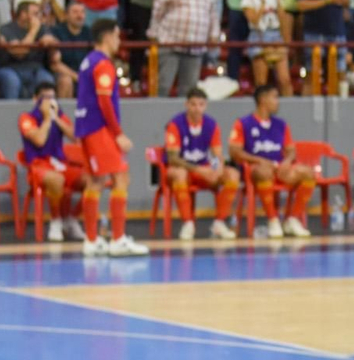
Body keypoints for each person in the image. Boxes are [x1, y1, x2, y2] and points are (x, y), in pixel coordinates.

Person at [74, 20, 148, 257]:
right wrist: (118, 134)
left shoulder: (87, 61)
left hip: (86, 126)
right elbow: (104, 100)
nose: (119, 41)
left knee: (95, 182)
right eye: (117, 36)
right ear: (107, 37)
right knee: (121, 177)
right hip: (99, 128)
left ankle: (92, 239)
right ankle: (117, 239)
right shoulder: (103, 64)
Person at [228, 83, 315, 239]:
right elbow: (235, 152)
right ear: (263, 99)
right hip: (255, 170)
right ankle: (273, 219)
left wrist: (287, 161)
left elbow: (291, 150)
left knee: (308, 173)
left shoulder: (281, 124)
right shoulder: (243, 123)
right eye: (275, 97)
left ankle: (292, 219)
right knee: (263, 171)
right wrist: (259, 160)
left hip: (279, 168)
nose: (278, 101)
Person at [163, 88, 238, 241]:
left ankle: (219, 222)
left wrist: (217, 168)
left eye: (201, 105)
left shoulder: (211, 124)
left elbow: (217, 154)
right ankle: (188, 223)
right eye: (193, 104)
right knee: (179, 173)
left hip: (203, 169)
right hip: (183, 169)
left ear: (206, 106)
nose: (197, 108)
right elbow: (173, 158)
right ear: (186, 105)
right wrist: (199, 169)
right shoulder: (175, 124)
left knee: (232, 174)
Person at [17, 82, 87, 243]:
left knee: (94, 179)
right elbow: (39, 140)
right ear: (36, 99)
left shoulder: (60, 116)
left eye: (53, 98)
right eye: (45, 98)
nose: (50, 102)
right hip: (38, 166)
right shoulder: (26, 119)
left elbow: (76, 138)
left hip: (60, 163)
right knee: (56, 180)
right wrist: (48, 120)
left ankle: (71, 219)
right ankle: (56, 220)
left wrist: (56, 119)